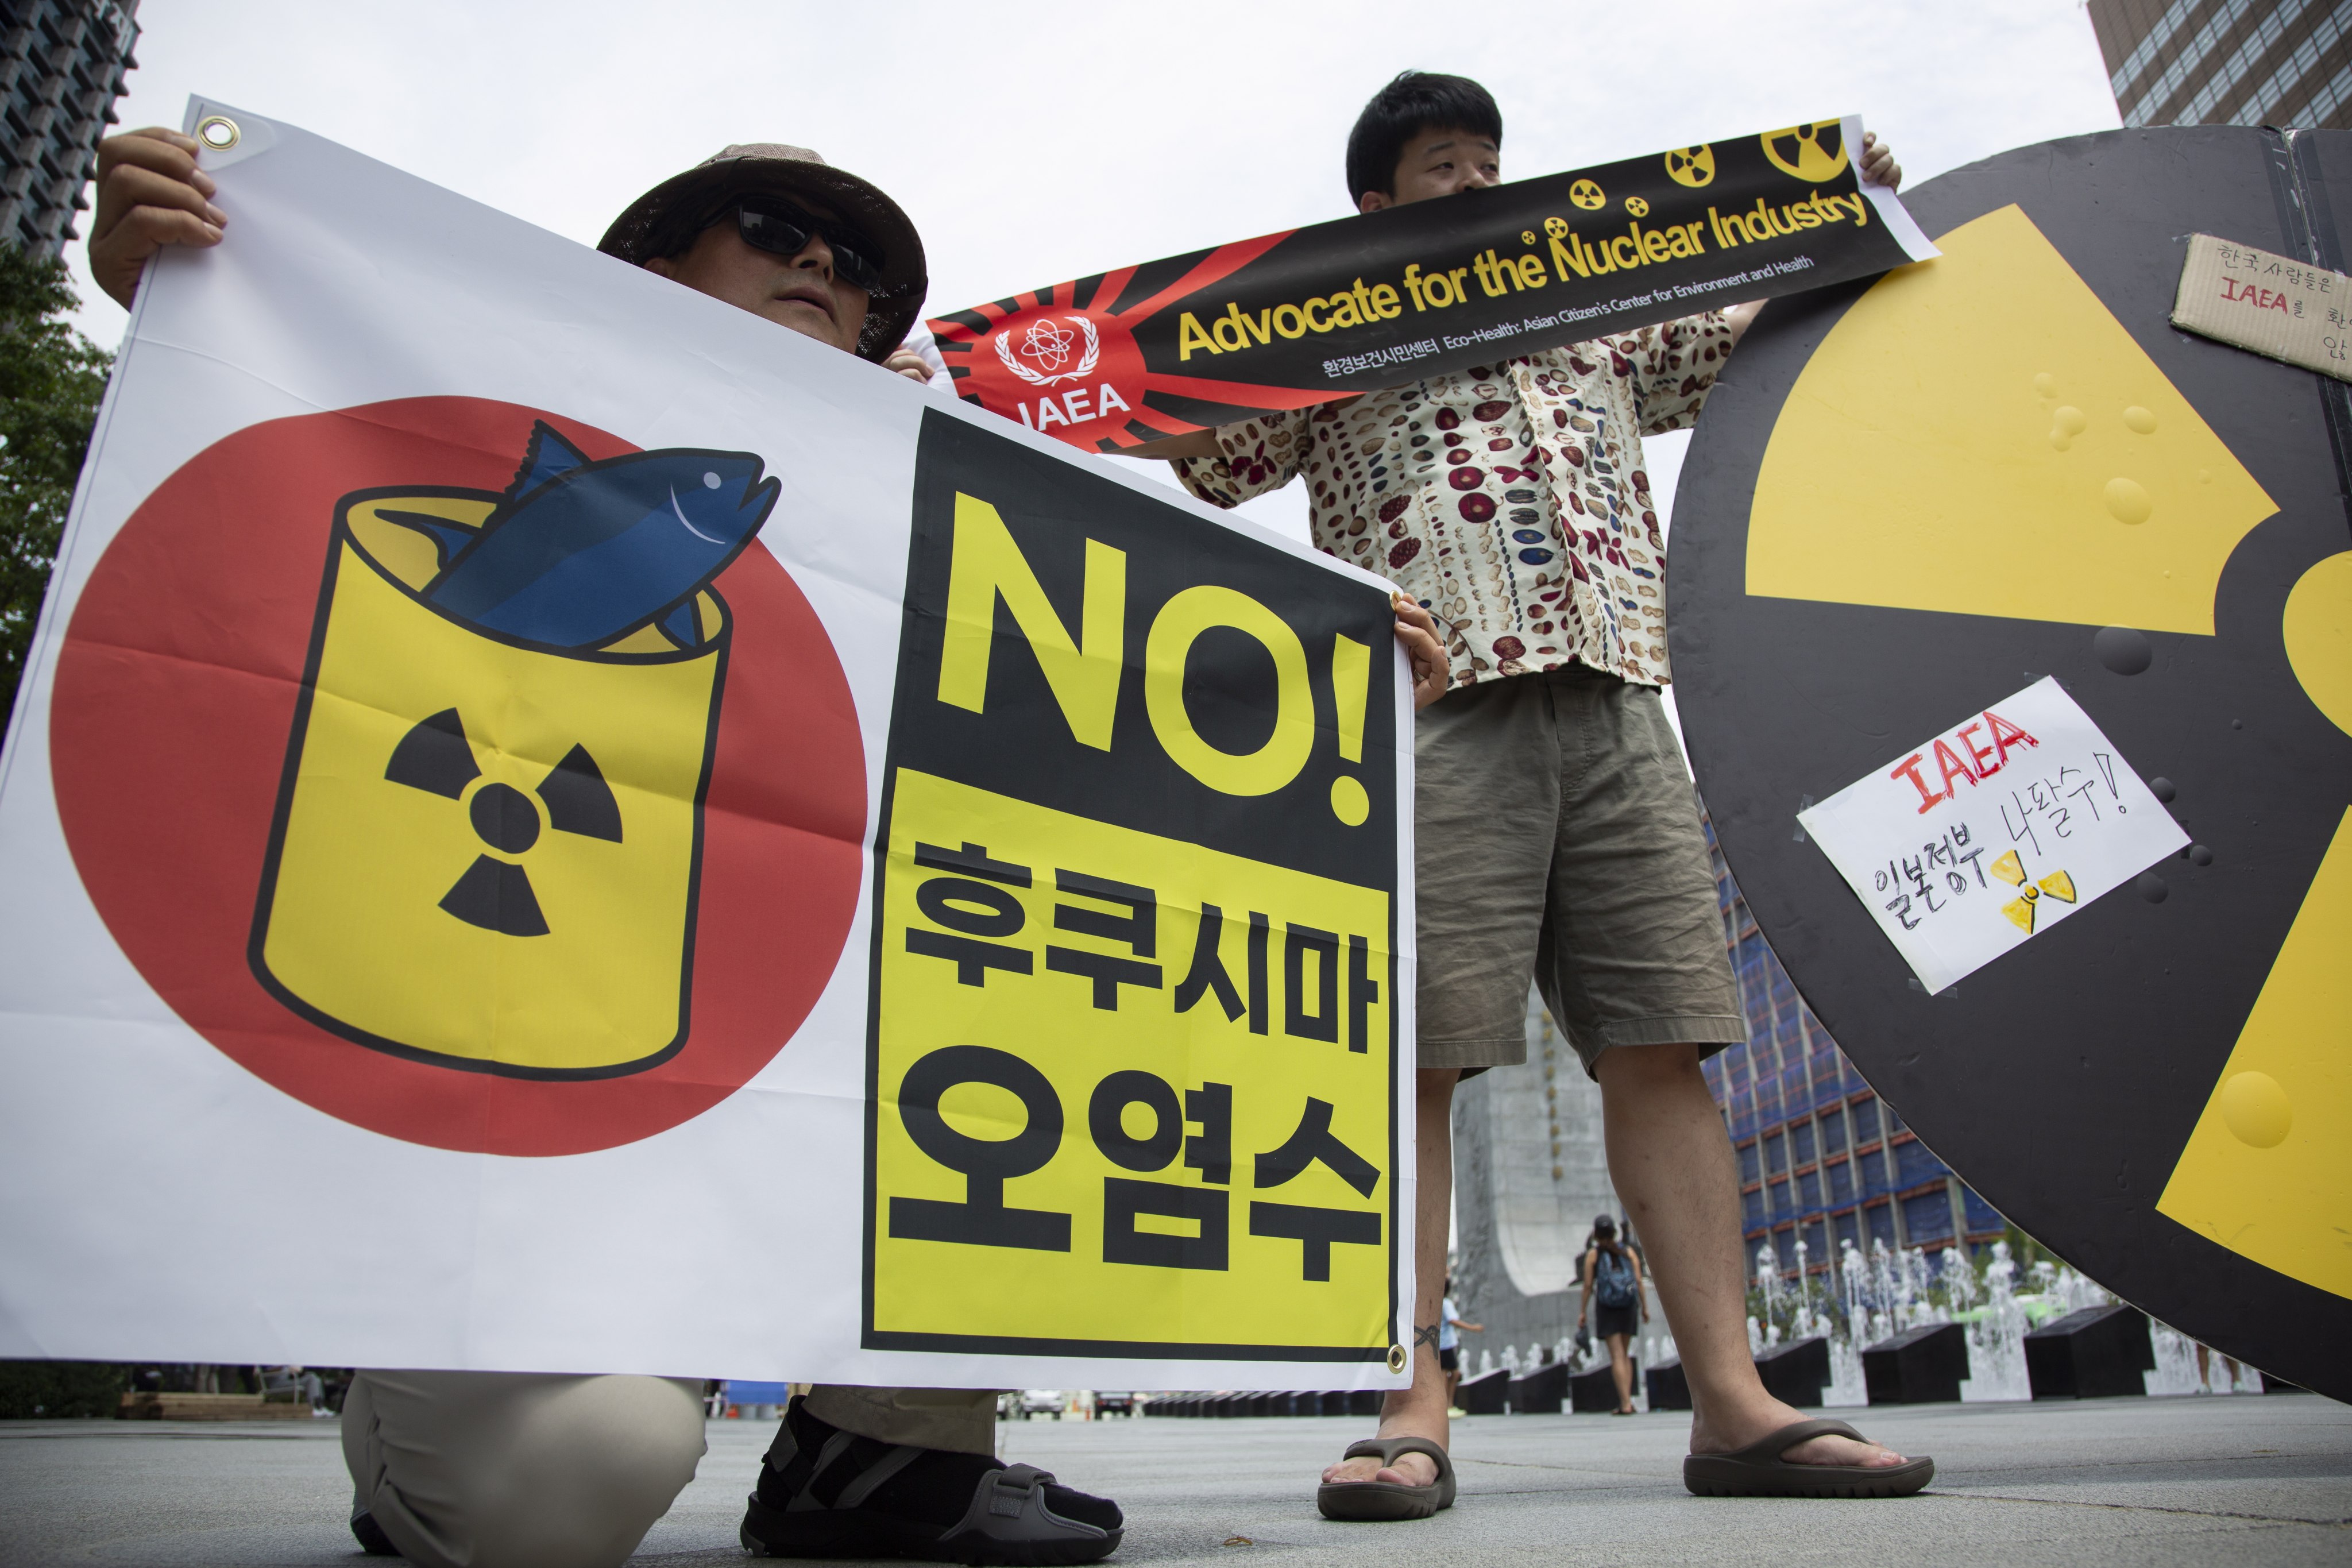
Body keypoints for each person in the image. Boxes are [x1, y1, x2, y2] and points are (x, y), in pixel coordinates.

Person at [88, 127, 1450, 1566]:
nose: (821, 265)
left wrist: (1320, 677)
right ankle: (426, 1403)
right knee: (568, 1482)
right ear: (653, 265)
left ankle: (884, 1461)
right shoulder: (482, 406)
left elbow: (1135, 710)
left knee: (1047, 1001)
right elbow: (265, 513)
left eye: (856, 268)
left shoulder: (955, 530)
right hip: (531, 1140)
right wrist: (184, 304)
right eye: (772, 226)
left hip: (803, 1075)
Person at [1134, 71, 1934, 1512]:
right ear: (1375, 206)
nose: (1484, 183)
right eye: (1448, 166)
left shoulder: (1590, 309)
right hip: (1433, 709)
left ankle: (1732, 1399)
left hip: (1623, 692)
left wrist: (1847, 207)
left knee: (1666, 1042)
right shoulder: (1331, 329)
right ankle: (1410, 1400)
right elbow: (1193, 455)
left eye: (1493, 159)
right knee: (1416, 1061)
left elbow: (1752, 324)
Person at [1576, 1216, 1647, 1416]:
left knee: (1616, 1356)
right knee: (1625, 1354)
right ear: (1615, 1233)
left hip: (1607, 1307)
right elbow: (1639, 1281)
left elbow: (1588, 1286)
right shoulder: (1628, 1251)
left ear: (1596, 1234)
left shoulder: (1594, 1254)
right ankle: (1629, 1401)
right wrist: (1645, 1308)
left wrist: (1582, 1312)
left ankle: (1624, 1403)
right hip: (1628, 1306)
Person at [1437, 1279, 1482, 1413]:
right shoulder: (1446, 1303)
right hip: (1445, 1344)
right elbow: (1453, 1321)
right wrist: (1473, 1328)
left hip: (1444, 1343)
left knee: (1451, 1373)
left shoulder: (1442, 1303)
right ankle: (1446, 1406)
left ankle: (1448, 1405)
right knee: (1447, 1373)